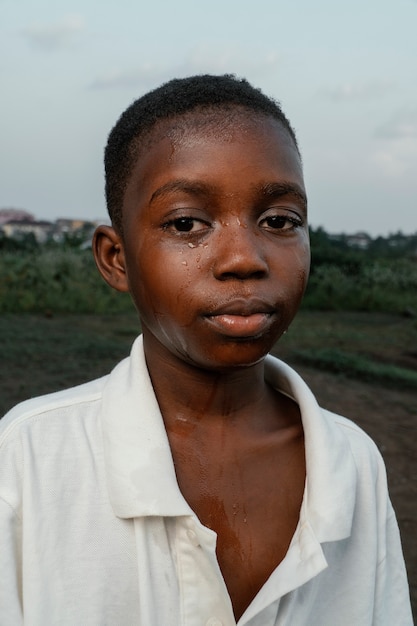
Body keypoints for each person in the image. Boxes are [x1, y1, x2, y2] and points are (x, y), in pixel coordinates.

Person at [0, 74, 412, 625]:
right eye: (187, 223)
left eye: (279, 221)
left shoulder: (352, 463)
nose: (243, 257)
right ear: (116, 258)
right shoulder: (29, 458)